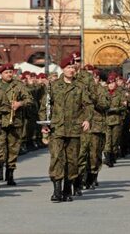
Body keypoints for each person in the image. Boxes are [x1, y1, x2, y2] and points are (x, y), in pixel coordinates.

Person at [39, 56, 93, 202]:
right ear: (63, 68)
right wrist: (45, 124)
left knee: (72, 160)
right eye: (68, 67)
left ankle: (67, 189)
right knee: (56, 158)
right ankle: (57, 191)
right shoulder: (54, 86)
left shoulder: (80, 86)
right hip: (57, 128)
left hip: (74, 129)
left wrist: (87, 119)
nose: (71, 70)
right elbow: (45, 106)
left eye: (73, 68)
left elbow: (88, 105)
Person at [0, 63, 33, 186]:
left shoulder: (18, 85)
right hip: (0, 121)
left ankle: (10, 174)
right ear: (1, 74)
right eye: (6, 72)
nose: (9, 74)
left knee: (13, 149)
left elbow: (30, 100)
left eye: (10, 72)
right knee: (0, 148)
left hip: (15, 122)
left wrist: (20, 103)